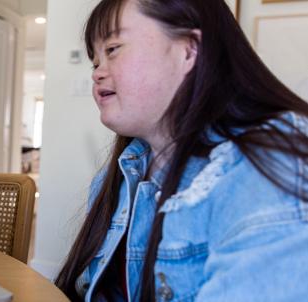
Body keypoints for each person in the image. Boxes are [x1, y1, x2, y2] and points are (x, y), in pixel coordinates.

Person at [55, 0, 308, 301]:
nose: (97, 73)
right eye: (95, 61)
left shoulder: (270, 167)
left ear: (189, 50)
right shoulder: (122, 173)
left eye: (112, 49)